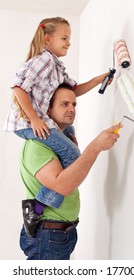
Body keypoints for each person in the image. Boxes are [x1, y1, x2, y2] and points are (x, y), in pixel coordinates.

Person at [4, 17, 114, 228]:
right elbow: (18, 88)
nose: (69, 43)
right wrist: (34, 119)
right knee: (73, 156)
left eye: (69, 38)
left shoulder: (56, 66)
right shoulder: (43, 60)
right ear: (47, 39)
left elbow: (73, 91)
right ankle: (37, 206)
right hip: (28, 124)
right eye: (64, 38)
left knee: (69, 132)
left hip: (40, 120)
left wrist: (97, 80)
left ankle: (40, 200)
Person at [19, 84, 122, 260]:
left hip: (59, 233)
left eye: (74, 104)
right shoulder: (38, 145)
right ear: (48, 109)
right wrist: (95, 147)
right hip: (48, 235)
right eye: (64, 104)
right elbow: (62, 185)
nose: (71, 109)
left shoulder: (64, 140)